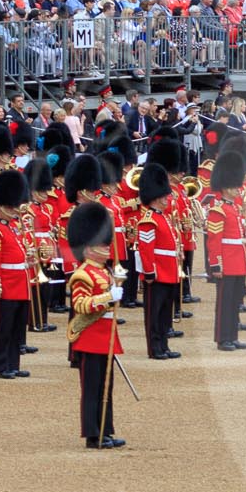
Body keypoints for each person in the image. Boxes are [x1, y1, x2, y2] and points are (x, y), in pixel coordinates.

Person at [64, 201, 126, 449]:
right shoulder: (83, 274)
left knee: (105, 388)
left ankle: (106, 430)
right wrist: (107, 298)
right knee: (91, 389)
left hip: (106, 335)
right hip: (90, 337)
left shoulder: (105, 272)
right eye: (102, 244)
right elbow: (80, 304)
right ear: (88, 248)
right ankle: (92, 434)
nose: (106, 247)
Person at [0, 165, 33, 377]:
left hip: (20, 283)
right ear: (0, 206)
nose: (14, 210)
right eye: (11, 207)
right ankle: (2, 365)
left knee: (17, 327)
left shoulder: (12, 228)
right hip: (7, 285)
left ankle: (14, 364)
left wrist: (27, 261)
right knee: (4, 328)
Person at [205, 145, 246, 350]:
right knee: (225, 304)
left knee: (234, 302)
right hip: (226, 262)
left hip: (238, 261)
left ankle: (232, 335)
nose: (237, 189)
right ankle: (222, 338)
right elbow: (214, 241)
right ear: (224, 187)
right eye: (234, 186)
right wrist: (215, 265)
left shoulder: (234, 209)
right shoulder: (219, 210)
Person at [134, 160, 181, 359]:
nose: (167, 198)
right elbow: (146, 249)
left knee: (164, 314)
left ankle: (164, 345)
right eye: (164, 195)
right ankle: (154, 348)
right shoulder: (148, 220)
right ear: (155, 197)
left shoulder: (163, 217)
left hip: (169, 271)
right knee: (154, 314)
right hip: (158, 273)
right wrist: (150, 272)